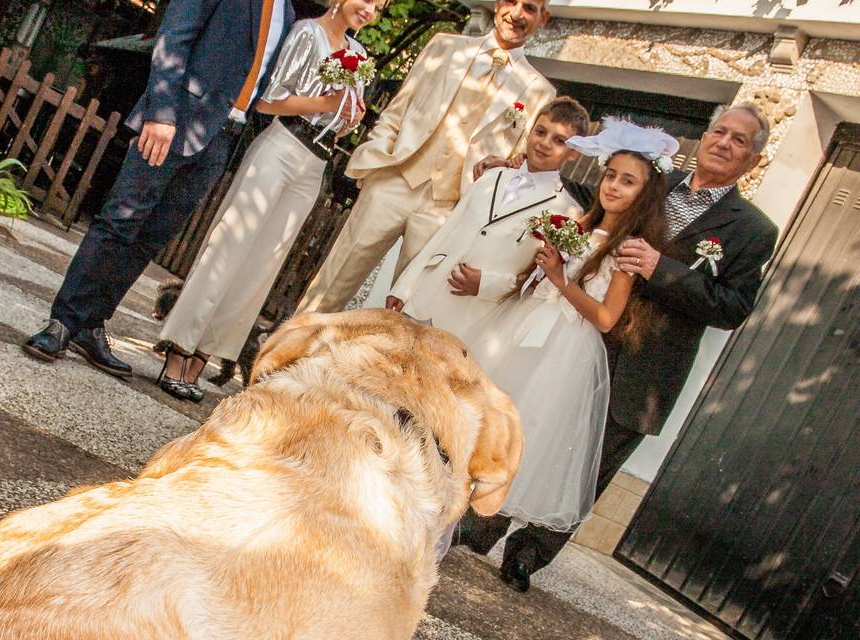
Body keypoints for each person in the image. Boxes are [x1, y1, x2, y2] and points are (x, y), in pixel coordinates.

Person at [463, 103, 780, 593]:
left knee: (592, 467)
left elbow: (733, 308)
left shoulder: (753, 229)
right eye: (719, 131)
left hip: (647, 370)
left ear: (753, 161)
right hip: (583, 338)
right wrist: (523, 168)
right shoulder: (655, 182)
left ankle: (530, 553)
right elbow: (594, 196)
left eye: (739, 140)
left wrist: (664, 270)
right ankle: (480, 527)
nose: (724, 142)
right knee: (536, 433)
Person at [21, 0, 295, 377]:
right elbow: (173, 38)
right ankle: (63, 323)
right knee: (119, 221)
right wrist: (161, 113)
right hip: (176, 120)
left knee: (150, 237)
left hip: (222, 139)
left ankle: (92, 324)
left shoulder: (290, 14)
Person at [152, 0, 383, 401]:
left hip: (316, 161)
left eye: (379, 7)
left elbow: (340, 123)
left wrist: (349, 118)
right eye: (367, 0)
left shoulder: (360, 55)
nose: (370, 10)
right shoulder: (306, 32)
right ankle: (177, 351)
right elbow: (269, 100)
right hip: (281, 146)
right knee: (228, 249)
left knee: (261, 266)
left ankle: (205, 355)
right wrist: (327, 104)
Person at [296, 0, 556, 314]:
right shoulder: (445, 46)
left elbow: (515, 161)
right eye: (511, 2)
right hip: (395, 178)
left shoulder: (540, 91)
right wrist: (379, 155)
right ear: (499, 3)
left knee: (406, 307)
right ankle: (286, 357)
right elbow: (399, 109)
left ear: (543, 18)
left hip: (449, 208)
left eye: (529, 7)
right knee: (333, 282)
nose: (516, 14)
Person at [385, 97, 590, 339]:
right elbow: (445, 233)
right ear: (530, 131)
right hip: (424, 298)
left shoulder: (566, 212)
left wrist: (487, 284)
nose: (545, 143)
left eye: (559, 141)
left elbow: (540, 282)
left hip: (474, 321)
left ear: (574, 153)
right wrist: (404, 286)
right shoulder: (491, 176)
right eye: (541, 132)